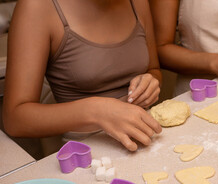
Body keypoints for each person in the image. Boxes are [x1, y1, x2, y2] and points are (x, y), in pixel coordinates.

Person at [3, 0, 162, 152]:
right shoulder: (37, 7)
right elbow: (15, 119)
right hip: (89, 153)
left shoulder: (138, 2)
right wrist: (96, 111)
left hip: (146, 136)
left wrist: (151, 82)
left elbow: (153, 69)